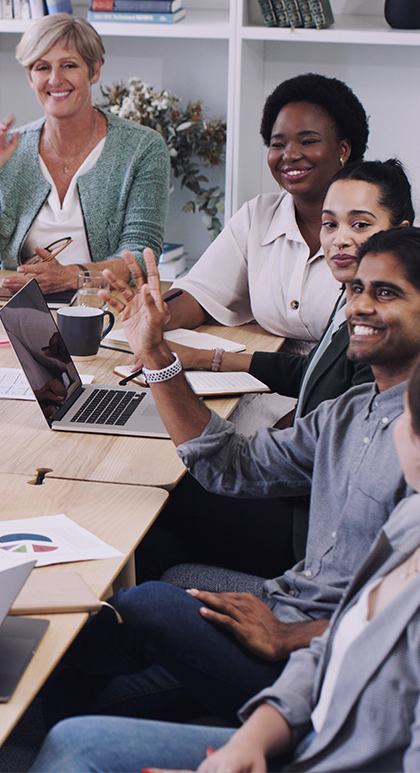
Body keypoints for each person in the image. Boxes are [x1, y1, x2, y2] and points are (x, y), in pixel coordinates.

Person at [40, 228, 420, 729]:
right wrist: (155, 355)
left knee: (145, 605)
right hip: (285, 610)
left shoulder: (411, 438)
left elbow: (405, 621)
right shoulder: (350, 411)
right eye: (355, 290)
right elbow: (231, 465)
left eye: (386, 293)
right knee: (80, 690)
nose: (359, 307)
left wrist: (294, 636)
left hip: (330, 661)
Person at [32, 357, 420, 773]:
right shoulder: (404, 518)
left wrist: (292, 636)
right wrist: (251, 740)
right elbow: (343, 640)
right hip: (298, 662)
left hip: (322, 724)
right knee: (78, 715)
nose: (395, 422)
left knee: (143, 608)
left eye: (409, 417)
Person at [135, 160, 414, 580]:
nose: (341, 241)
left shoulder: (388, 391)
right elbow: (313, 378)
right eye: (330, 225)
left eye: (360, 225)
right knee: (154, 522)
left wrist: (297, 631)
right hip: (303, 507)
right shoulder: (352, 334)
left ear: (399, 230)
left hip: (307, 535)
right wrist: (172, 357)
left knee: (155, 512)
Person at [0, 13, 169, 294]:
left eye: (69, 65)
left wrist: (73, 277)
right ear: (29, 76)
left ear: (94, 70)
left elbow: (140, 258)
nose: (55, 79)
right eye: (42, 67)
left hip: (106, 308)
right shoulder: (7, 151)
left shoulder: (143, 148)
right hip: (20, 310)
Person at [163, 74, 369, 345]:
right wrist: (154, 312)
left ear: (343, 149)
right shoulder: (258, 214)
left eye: (307, 141)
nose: (289, 155)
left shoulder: (374, 223)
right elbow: (201, 293)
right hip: (267, 376)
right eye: (277, 144)